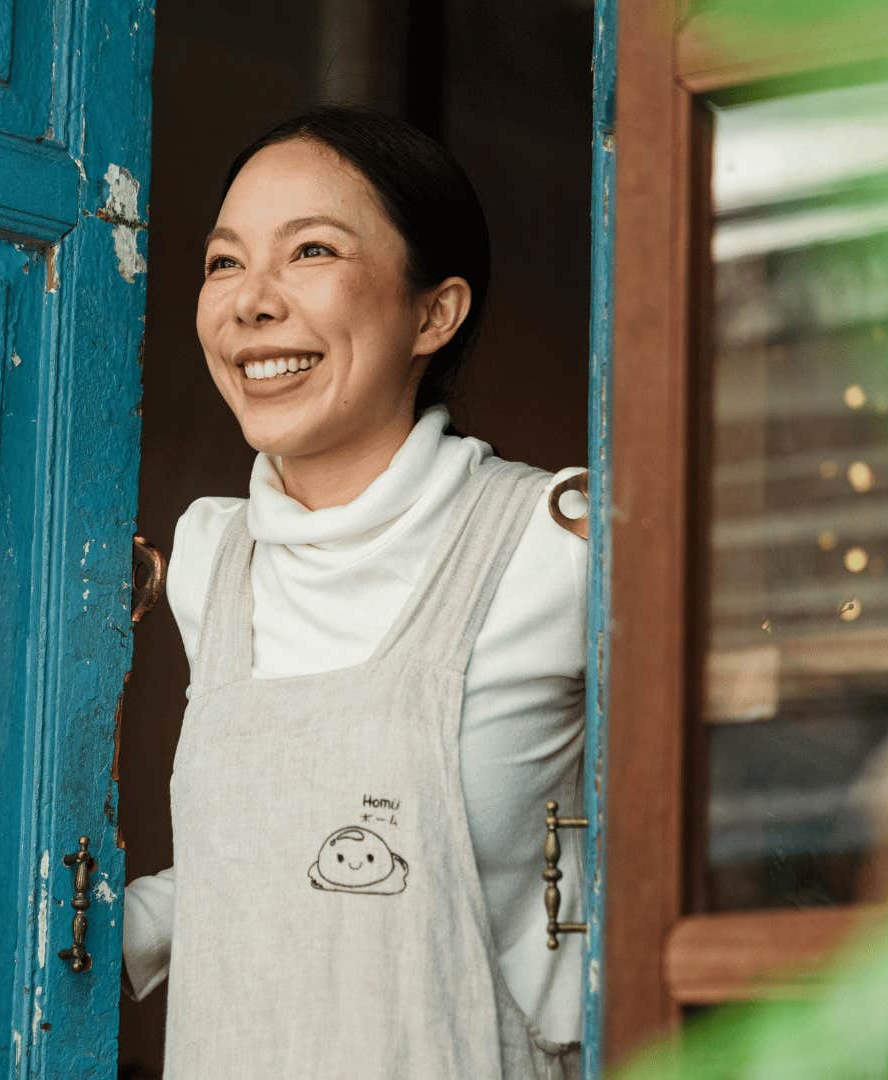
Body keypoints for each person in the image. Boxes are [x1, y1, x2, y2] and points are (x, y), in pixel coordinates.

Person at [121, 107, 587, 1078]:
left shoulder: (553, 545)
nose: (251, 302)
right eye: (223, 262)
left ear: (434, 313)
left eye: (311, 252)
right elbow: (277, 856)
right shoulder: (211, 559)